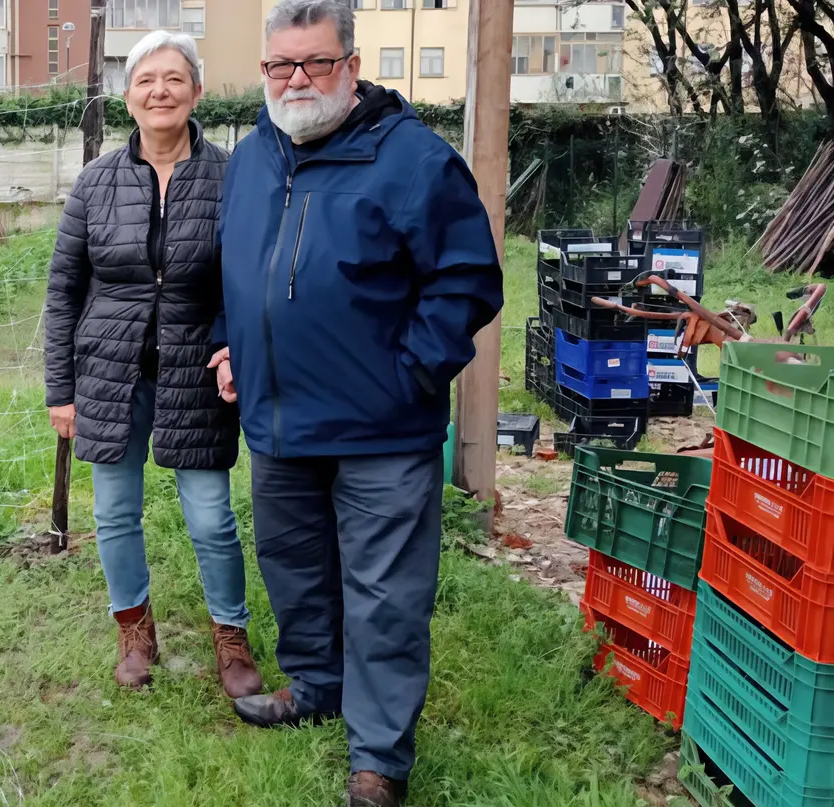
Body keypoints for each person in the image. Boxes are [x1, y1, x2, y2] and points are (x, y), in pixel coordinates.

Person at [209, 1, 504, 804]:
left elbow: (468, 280)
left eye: (315, 63)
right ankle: (314, 686)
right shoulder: (252, 158)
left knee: (383, 595)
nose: (296, 80)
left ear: (352, 65)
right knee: (295, 571)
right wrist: (224, 341)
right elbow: (233, 270)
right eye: (281, 66)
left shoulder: (411, 160)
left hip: (381, 427)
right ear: (264, 70)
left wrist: (412, 371)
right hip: (277, 420)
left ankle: (378, 756)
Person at [43, 31, 261, 699]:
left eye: (173, 78)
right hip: (108, 372)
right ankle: (134, 631)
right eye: (146, 80)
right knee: (114, 513)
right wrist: (60, 389)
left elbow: (248, 279)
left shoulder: (233, 176)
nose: (159, 90)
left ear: (195, 92)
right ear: (127, 96)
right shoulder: (95, 182)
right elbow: (63, 290)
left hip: (194, 372)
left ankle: (230, 633)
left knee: (210, 516)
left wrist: (238, 352)